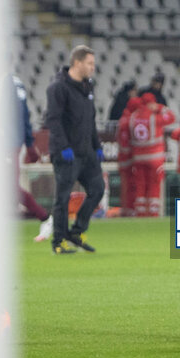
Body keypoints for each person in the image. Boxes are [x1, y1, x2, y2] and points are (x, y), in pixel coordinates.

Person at [44, 45, 105, 254]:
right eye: (89, 63)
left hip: (86, 152)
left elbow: (91, 120)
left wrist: (97, 146)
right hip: (66, 153)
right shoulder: (58, 88)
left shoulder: (88, 87)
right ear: (77, 63)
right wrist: (63, 147)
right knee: (62, 198)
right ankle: (58, 241)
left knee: (97, 189)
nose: (92, 68)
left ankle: (77, 231)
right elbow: (52, 120)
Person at [8, 72, 52, 241]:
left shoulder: (5, 83)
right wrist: (28, 143)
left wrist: (29, 143)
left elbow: (23, 115)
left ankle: (45, 218)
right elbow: (25, 115)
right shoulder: (15, 83)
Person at [128, 92, 175, 217]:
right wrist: (160, 107)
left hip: (138, 157)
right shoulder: (155, 117)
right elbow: (171, 117)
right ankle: (153, 212)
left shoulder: (133, 117)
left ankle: (140, 211)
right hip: (154, 157)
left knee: (140, 184)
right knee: (154, 184)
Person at [115, 96, 141, 217]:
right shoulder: (127, 121)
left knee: (129, 187)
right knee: (129, 187)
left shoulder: (126, 119)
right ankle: (129, 210)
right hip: (127, 161)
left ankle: (129, 209)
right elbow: (125, 145)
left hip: (126, 160)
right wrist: (132, 159)